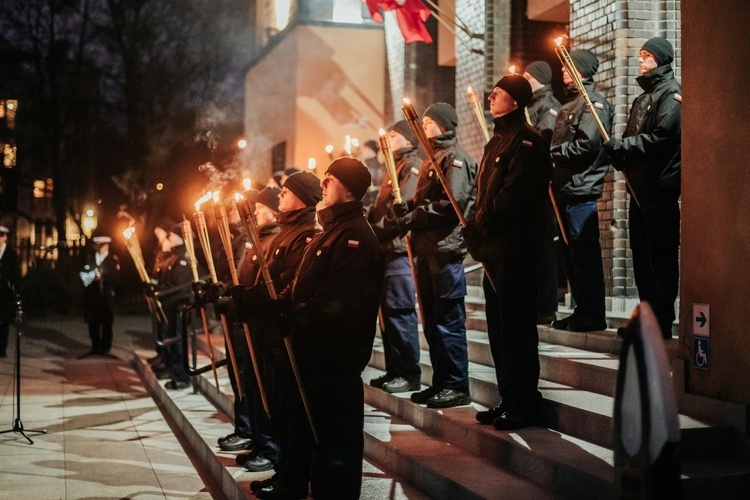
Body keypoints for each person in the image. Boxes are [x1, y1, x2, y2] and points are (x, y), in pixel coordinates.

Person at [250, 158, 384, 499]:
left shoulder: (354, 237)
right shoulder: (335, 231)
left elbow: (338, 300)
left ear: (349, 188)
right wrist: (280, 303)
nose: (323, 185)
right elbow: (301, 284)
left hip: (336, 358)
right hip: (318, 357)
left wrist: (296, 316)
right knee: (320, 439)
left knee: (337, 446)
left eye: (330, 179)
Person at [462, 74, 552, 430]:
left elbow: (514, 195)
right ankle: (508, 397)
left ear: (515, 101)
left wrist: (481, 224)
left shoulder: (527, 141)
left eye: (498, 94)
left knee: (516, 329)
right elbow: (484, 194)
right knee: (499, 330)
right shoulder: (496, 141)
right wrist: (476, 226)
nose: (491, 97)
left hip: (514, 251)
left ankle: (526, 401)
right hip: (494, 253)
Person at [233, 171, 323, 497]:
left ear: (301, 197)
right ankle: (284, 471)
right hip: (268, 335)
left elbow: (286, 286)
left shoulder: (305, 236)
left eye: (287, 191)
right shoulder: (285, 233)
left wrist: (253, 299)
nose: (280, 194)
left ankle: (294, 479)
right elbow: (263, 282)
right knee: (278, 409)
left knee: (290, 413)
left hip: (285, 338)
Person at [392, 102, 477, 408]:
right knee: (431, 322)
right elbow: (427, 202)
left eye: (429, 122)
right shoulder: (432, 159)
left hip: (444, 251)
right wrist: (409, 210)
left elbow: (450, 205)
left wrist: (415, 217)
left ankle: (456, 384)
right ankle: (441, 380)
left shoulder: (455, 159)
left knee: (447, 320)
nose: (424, 126)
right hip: (427, 250)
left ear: (443, 126)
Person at [603, 37, 682, 339]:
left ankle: (661, 320)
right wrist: (619, 153)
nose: (641, 59)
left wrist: (626, 146)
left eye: (647, 55)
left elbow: (662, 137)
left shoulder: (670, 94)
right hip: (638, 191)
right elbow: (632, 137)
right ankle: (646, 315)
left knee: (660, 258)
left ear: (661, 59)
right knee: (641, 257)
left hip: (658, 191)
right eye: (640, 54)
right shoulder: (642, 98)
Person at [215, 188, 281, 467]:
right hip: (246, 321)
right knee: (249, 386)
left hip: (261, 325)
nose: (253, 212)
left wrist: (241, 298)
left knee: (262, 389)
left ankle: (269, 446)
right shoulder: (253, 239)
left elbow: (265, 286)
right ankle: (256, 438)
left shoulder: (275, 240)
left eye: (259, 208)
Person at [549, 49, 613, 332]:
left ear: (583, 70)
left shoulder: (592, 103)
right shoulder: (571, 103)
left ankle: (593, 312)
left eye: (570, 67)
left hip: (581, 188)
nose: (564, 71)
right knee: (571, 255)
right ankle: (581, 309)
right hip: (565, 189)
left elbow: (588, 145)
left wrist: (554, 153)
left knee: (584, 253)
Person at [367, 120, 422, 393]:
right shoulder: (393, 167)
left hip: (399, 249)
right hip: (386, 249)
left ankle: (408, 372)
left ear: (409, 140)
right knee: (387, 315)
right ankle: (394, 369)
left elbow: (403, 208)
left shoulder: (412, 167)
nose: (388, 139)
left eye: (394, 135)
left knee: (400, 312)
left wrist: (376, 230)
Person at [524, 61, 562, 325]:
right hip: (530, 187)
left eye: (527, 76)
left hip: (543, 187)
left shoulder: (548, 107)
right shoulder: (529, 106)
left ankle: (546, 304)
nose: (524, 80)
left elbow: (543, 141)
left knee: (544, 248)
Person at [154, 223, 194, 389]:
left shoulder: (184, 258)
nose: (169, 238)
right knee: (172, 340)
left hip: (179, 307)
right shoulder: (175, 257)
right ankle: (174, 370)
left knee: (178, 342)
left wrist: (161, 292)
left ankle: (181, 375)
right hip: (171, 306)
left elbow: (177, 282)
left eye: (172, 235)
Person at [78, 235, 120, 357]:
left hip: (106, 295)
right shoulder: (91, 258)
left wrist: (103, 277)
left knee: (107, 321)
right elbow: (84, 272)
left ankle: (106, 347)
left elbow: (115, 277)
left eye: (101, 246)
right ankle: (95, 346)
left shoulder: (113, 260)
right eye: (97, 247)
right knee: (93, 321)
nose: (99, 249)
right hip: (93, 295)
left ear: (106, 246)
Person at [0, 225, 20, 358]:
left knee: (4, 322)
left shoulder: (11, 254)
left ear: (5, 237)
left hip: (4, 293)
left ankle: (2, 349)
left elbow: (16, 275)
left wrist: (17, 292)